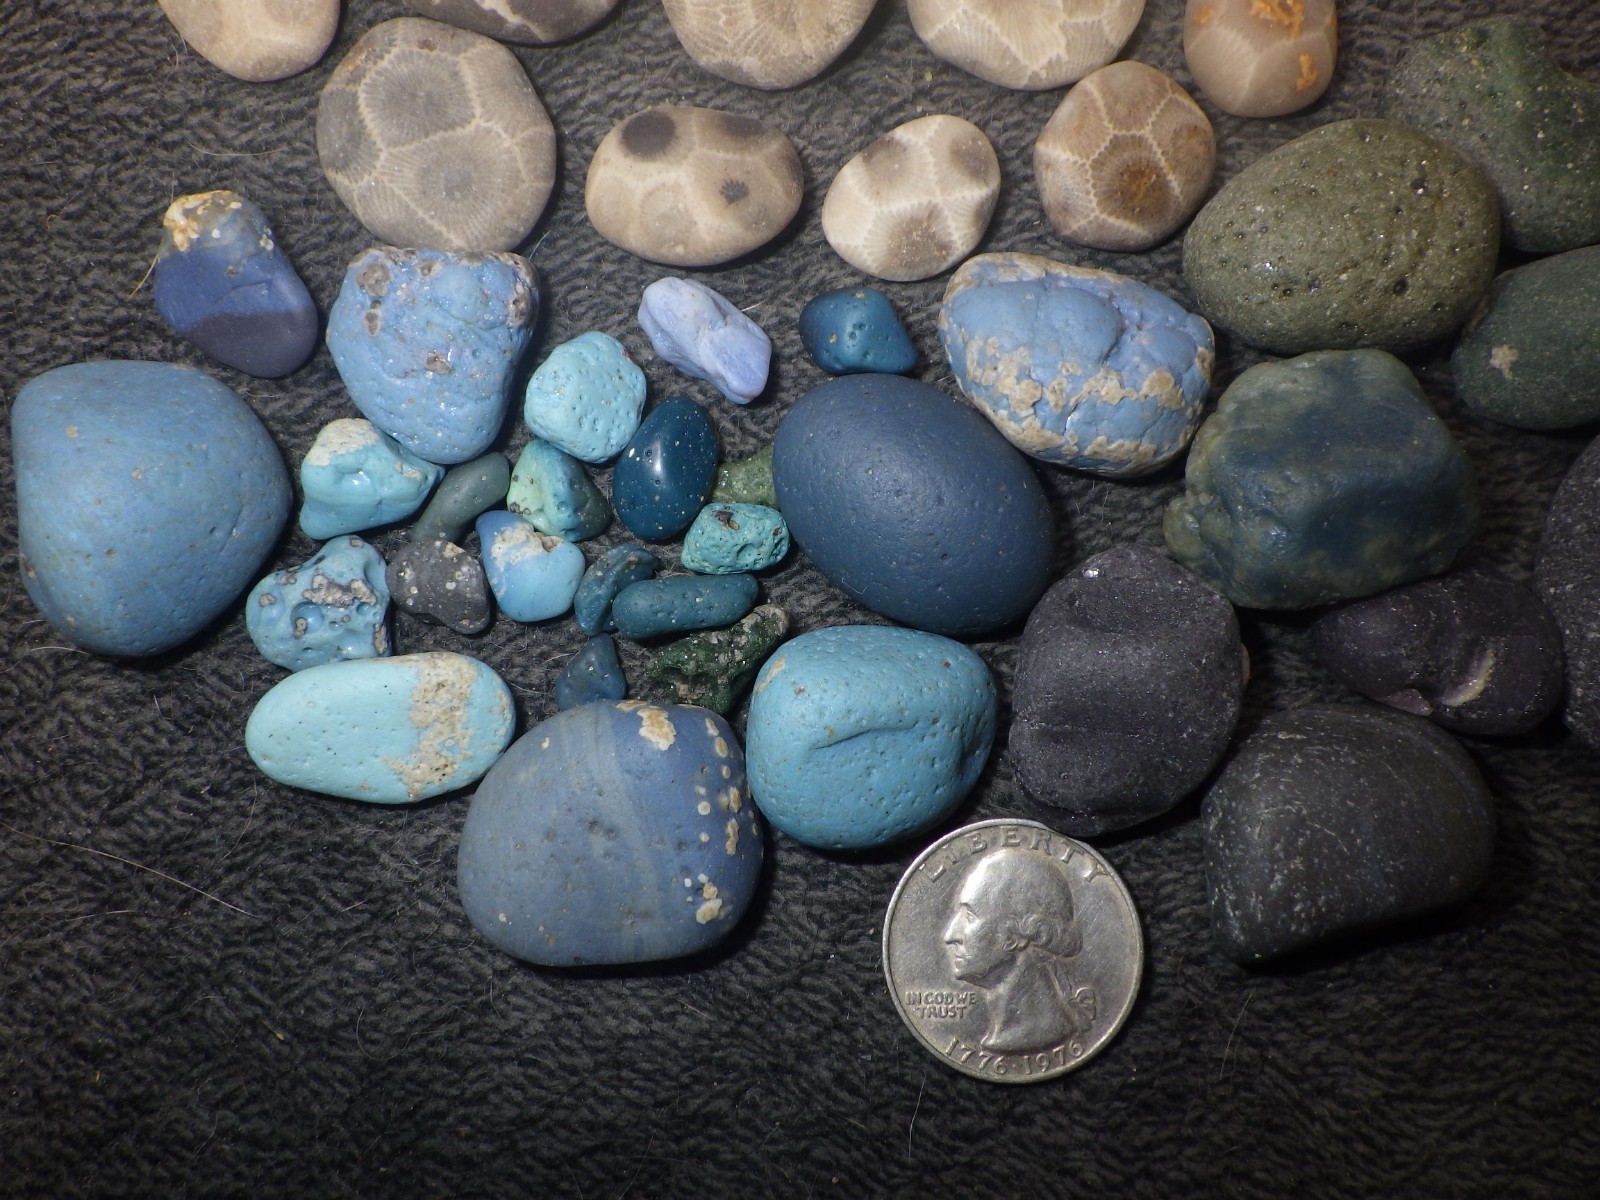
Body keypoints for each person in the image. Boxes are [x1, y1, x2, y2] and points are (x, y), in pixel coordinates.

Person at [942, 848, 1098, 1054]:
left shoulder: (1038, 1032)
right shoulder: (1010, 1032)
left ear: (1017, 936)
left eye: (970, 916)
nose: (950, 935)